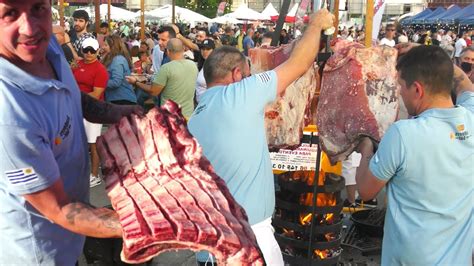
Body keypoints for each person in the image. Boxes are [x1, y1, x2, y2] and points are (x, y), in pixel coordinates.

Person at [187, 9, 335, 265]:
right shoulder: (239, 94)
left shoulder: (194, 118)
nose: (249, 79)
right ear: (236, 75)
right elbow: (299, 64)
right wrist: (317, 24)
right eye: (247, 74)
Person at [0, 1, 142, 264]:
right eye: (9, 14)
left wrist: (120, 112)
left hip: (73, 239)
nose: (29, 27)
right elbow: (58, 208)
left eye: (38, 8)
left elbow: (76, 98)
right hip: (40, 253)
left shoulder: (48, 45)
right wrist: (149, 223)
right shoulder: (8, 112)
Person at [355, 45, 473, 265]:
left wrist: (365, 151)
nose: (399, 93)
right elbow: (465, 83)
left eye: (401, 87)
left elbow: (365, 191)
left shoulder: (403, 134)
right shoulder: (472, 116)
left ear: (417, 90)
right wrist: (426, 51)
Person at [128, 38, 198, 119]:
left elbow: (153, 91)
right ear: (183, 49)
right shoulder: (193, 65)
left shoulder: (166, 68)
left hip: (170, 116)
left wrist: (135, 82)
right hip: (188, 114)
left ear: (168, 51)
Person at [71, 38, 109, 187]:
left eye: (92, 51)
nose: (88, 53)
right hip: (77, 108)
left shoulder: (100, 70)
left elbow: (97, 93)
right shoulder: (77, 64)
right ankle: (81, 172)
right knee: (79, 142)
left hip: (93, 110)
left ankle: (94, 175)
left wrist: (75, 96)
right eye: (86, 50)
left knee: (93, 142)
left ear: (97, 51)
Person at [101, 35, 138, 105]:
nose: (103, 47)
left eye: (106, 45)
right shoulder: (112, 58)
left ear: (113, 46)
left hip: (122, 100)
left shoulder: (118, 60)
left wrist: (98, 83)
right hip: (116, 99)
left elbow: (116, 82)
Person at [195, 39, 215, 103]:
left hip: (209, 104)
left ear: (213, 50)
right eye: (203, 49)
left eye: (208, 49)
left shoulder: (216, 66)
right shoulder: (203, 63)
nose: (205, 51)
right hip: (200, 104)